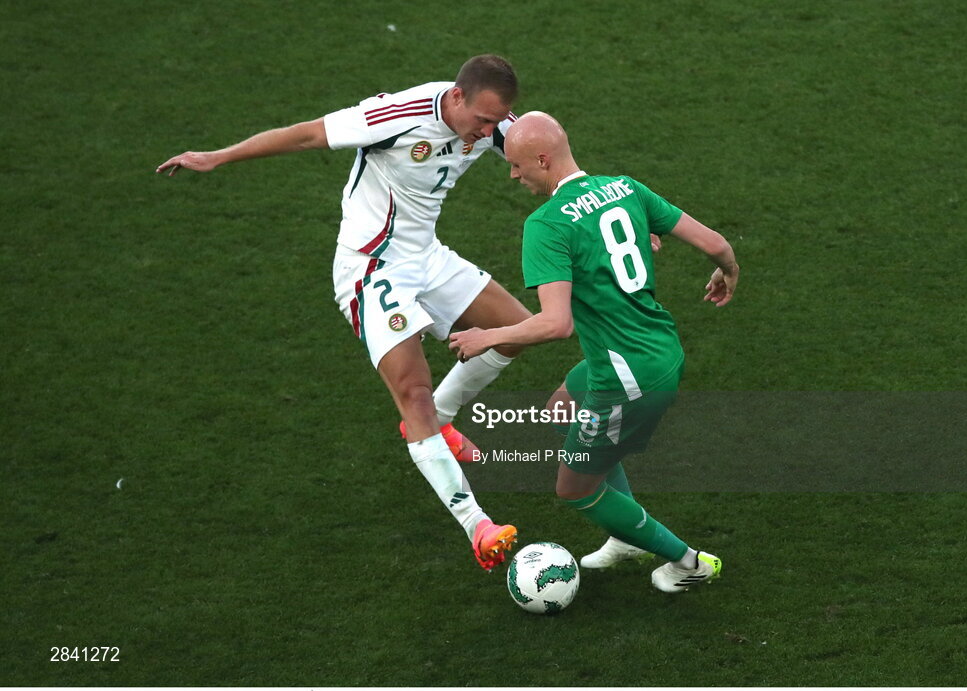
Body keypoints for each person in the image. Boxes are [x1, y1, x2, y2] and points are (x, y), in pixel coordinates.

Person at [155, 55, 533, 571]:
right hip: (372, 268)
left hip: (428, 258)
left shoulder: (490, 123)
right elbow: (308, 134)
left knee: (517, 329)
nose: (491, 133)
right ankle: (477, 525)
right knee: (413, 392)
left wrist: (604, 211)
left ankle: (438, 424)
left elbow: (544, 154)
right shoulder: (397, 116)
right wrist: (217, 157)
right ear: (457, 97)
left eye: (498, 121)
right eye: (484, 121)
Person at [449, 111, 740, 592]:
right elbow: (715, 243)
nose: (513, 174)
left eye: (518, 165)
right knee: (563, 404)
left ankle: (689, 562)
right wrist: (727, 269)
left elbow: (555, 324)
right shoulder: (625, 187)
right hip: (655, 348)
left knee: (574, 488)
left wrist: (487, 337)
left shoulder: (545, 225)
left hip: (627, 378)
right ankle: (624, 535)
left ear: (543, 158)